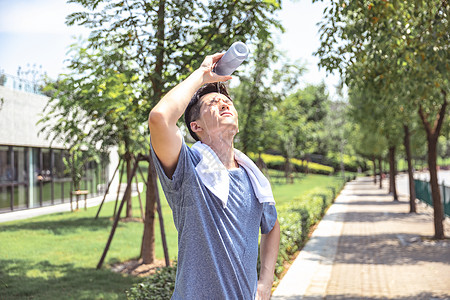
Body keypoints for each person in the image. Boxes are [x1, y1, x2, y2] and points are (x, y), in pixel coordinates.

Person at [148, 52, 280, 300]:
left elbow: (271, 226)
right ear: (196, 127)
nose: (224, 103)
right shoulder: (189, 169)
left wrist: (266, 281)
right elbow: (159, 118)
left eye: (226, 101)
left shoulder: (253, 178)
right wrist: (202, 75)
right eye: (212, 103)